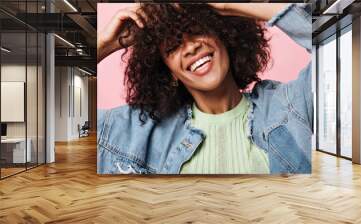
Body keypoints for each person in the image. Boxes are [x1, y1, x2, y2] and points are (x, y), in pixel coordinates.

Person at [97, 3, 312, 174]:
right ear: (168, 71)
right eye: (173, 46)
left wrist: (229, 5)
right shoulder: (140, 130)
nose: (191, 46)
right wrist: (105, 44)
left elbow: (341, 36)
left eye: (197, 31)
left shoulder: (289, 105)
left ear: (224, 34)